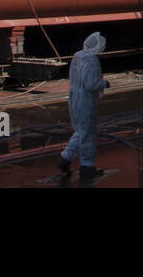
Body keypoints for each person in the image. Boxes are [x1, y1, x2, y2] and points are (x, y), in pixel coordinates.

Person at [58, 31, 109, 180]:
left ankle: (65, 159)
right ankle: (87, 167)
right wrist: (104, 83)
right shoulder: (92, 60)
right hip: (86, 101)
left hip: (74, 98)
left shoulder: (77, 56)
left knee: (81, 131)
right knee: (87, 134)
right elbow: (91, 84)